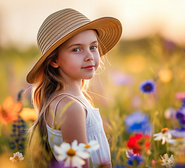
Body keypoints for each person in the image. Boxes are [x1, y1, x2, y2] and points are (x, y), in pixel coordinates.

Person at [27, 8, 122, 168]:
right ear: (54, 60)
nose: (89, 56)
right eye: (76, 49)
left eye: (93, 47)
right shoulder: (71, 107)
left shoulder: (73, 100)